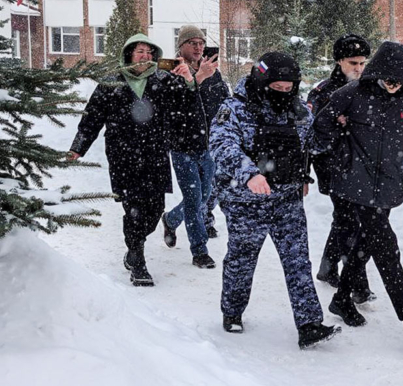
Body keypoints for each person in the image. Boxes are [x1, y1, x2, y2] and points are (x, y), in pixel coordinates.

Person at [313, 41, 403, 353]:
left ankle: (342, 299)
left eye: (400, 81)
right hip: (357, 184)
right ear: (377, 73)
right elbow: (320, 128)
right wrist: (344, 142)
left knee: (366, 244)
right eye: (388, 79)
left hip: (389, 187)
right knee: (387, 250)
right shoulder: (352, 93)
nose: (393, 85)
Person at [209, 52, 340, 349]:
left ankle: (309, 324)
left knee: (297, 261)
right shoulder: (235, 108)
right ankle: (232, 312)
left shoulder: (298, 111)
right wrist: (250, 174)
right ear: (263, 80)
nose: (283, 93)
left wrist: (332, 123)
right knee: (242, 260)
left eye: (288, 88)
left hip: (287, 200)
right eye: (277, 87)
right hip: (245, 201)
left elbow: (311, 145)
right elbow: (220, 143)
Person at [67, 34, 190, 286]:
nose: (145, 56)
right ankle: (138, 259)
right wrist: (78, 148)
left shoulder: (164, 80)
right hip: (123, 156)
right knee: (133, 209)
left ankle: (136, 244)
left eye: (149, 52)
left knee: (154, 210)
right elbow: (91, 120)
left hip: (155, 155)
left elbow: (185, 108)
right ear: (128, 55)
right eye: (139, 52)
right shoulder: (111, 83)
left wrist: (188, 81)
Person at [307, 34, 374, 304]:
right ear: (339, 62)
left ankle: (327, 267)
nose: (358, 68)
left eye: (362, 63)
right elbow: (310, 136)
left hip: (361, 166)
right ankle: (357, 283)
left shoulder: (369, 89)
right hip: (334, 167)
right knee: (350, 222)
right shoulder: (323, 92)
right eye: (352, 62)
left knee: (346, 220)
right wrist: (336, 123)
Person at [161, 25, 229, 268]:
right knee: (193, 198)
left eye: (201, 43)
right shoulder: (172, 73)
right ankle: (199, 251)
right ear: (181, 46)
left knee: (205, 196)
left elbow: (224, 103)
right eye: (192, 43)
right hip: (182, 146)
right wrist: (198, 78)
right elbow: (177, 106)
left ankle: (170, 218)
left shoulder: (212, 71)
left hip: (207, 145)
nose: (199, 47)